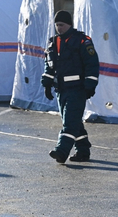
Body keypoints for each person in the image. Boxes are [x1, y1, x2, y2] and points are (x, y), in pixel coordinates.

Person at [42, 10, 99, 163]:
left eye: (61, 25)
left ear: (69, 24)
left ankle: (61, 151)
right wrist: (47, 84)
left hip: (78, 90)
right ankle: (83, 150)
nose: (59, 28)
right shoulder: (53, 42)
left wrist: (90, 85)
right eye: (56, 25)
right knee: (73, 122)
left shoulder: (82, 41)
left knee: (70, 122)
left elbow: (92, 65)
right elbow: (49, 66)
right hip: (61, 90)